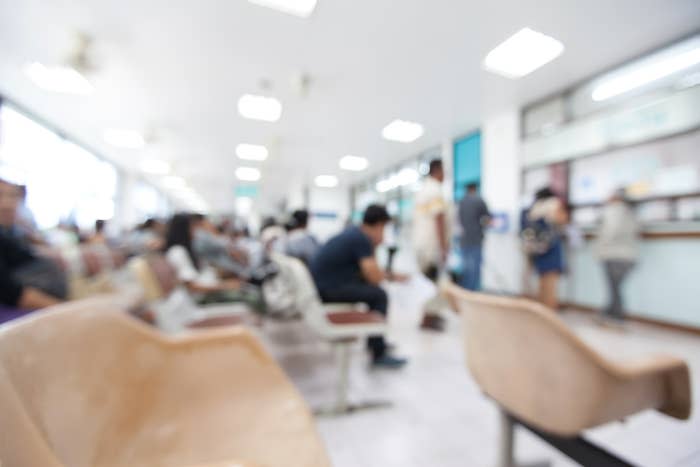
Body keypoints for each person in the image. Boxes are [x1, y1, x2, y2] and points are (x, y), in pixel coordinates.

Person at [311, 204, 409, 368]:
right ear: (379, 225)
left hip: (323, 285)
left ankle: (376, 340)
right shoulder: (361, 239)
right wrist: (375, 246)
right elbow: (374, 277)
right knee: (379, 295)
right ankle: (378, 353)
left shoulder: (354, 234)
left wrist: (390, 275)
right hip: (328, 289)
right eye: (384, 228)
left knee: (371, 291)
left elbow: (368, 273)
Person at [163, 213, 263, 312]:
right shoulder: (177, 252)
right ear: (183, 229)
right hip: (202, 298)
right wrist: (227, 285)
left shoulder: (189, 249)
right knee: (252, 297)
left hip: (210, 290)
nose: (197, 231)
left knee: (251, 291)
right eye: (194, 226)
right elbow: (193, 288)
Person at [0, 179, 63, 321]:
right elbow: (10, 292)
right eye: (0, 195)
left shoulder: (7, 233)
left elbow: (24, 252)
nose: (7, 204)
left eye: (12, 196)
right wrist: (66, 310)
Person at [413, 159, 449, 331]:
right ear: (437, 170)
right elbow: (439, 219)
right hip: (431, 245)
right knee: (433, 283)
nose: (445, 174)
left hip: (420, 243)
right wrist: (444, 247)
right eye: (444, 170)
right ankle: (428, 318)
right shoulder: (435, 189)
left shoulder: (422, 190)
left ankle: (431, 315)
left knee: (428, 282)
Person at [594, 189, 640, 325]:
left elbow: (610, 231)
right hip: (629, 256)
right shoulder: (631, 212)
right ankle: (609, 313)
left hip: (613, 255)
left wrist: (600, 250)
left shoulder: (613, 210)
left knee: (614, 288)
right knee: (615, 288)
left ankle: (615, 316)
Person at [525, 187, 568, 310]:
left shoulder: (534, 210)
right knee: (550, 286)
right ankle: (549, 315)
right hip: (552, 250)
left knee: (542, 285)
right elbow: (562, 221)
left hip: (539, 251)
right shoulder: (555, 206)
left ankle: (541, 312)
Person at [458, 183, 491, 291]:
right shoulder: (479, 200)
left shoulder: (461, 202)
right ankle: (473, 293)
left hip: (464, 240)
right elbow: (488, 219)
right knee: (475, 269)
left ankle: (464, 294)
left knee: (466, 268)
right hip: (476, 239)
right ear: (475, 189)